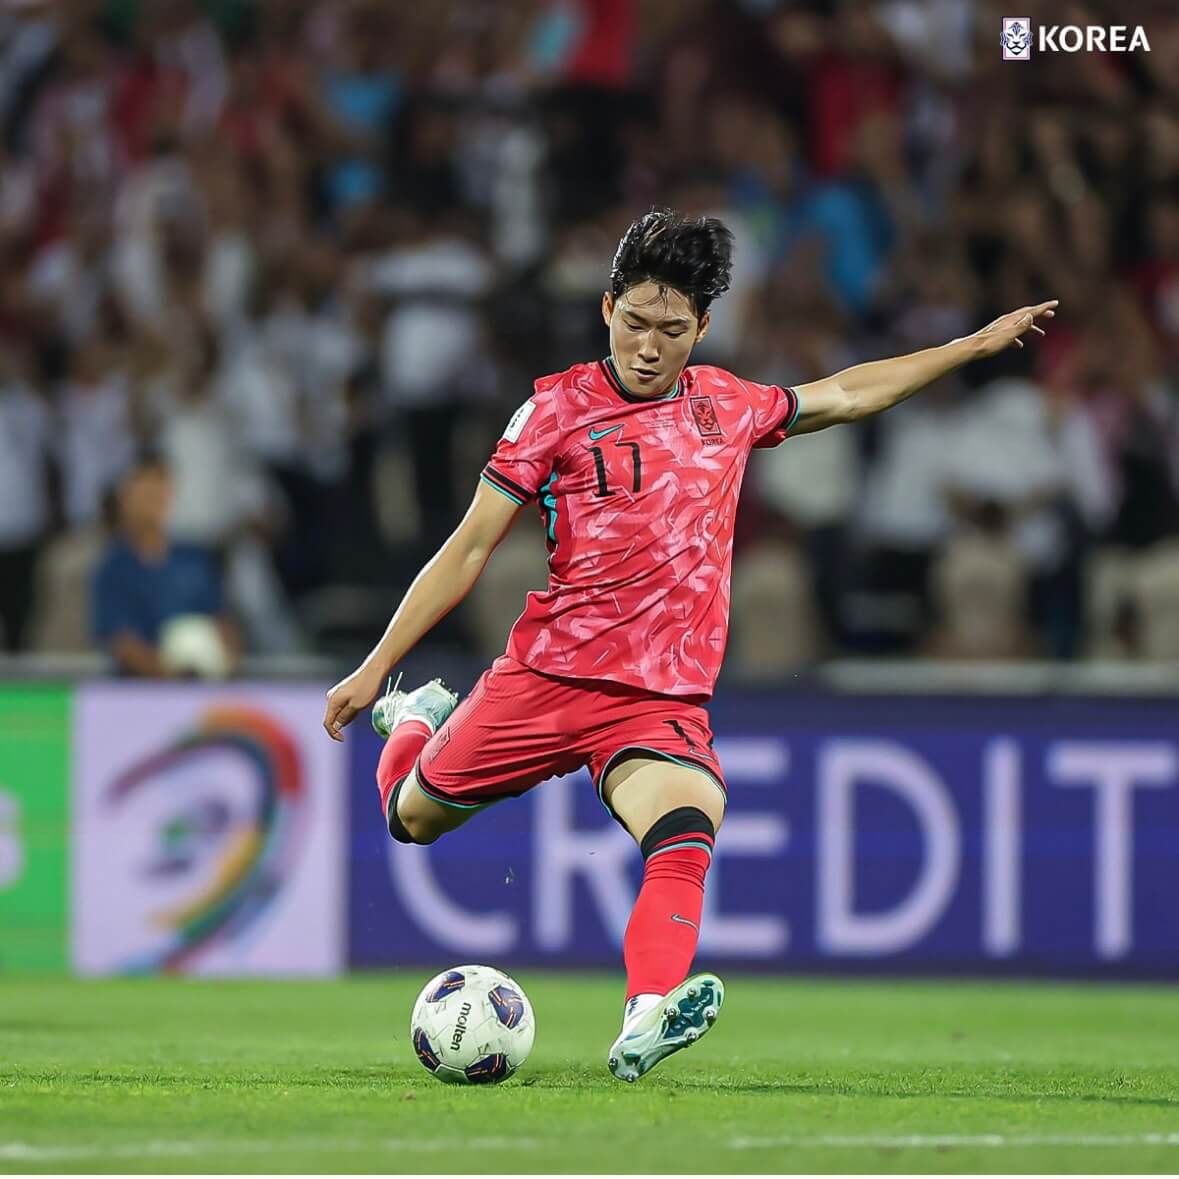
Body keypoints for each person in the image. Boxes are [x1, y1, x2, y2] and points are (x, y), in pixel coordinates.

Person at [322, 209, 1056, 1081]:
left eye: (672, 329)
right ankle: (413, 719)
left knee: (685, 823)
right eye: (634, 321)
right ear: (605, 310)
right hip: (546, 677)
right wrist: (375, 669)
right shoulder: (553, 410)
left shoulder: (727, 405)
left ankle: (645, 1017)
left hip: (658, 697)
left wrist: (967, 347)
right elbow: (470, 545)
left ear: (702, 328)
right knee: (409, 818)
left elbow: (850, 392)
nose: (648, 345)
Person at [92, 453, 239, 677]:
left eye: (159, 491)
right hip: (140, 694)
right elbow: (121, 643)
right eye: (144, 493)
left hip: (201, 688)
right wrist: (171, 676)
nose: (153, 501)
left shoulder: (194, 559)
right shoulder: (113, 569)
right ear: (125, 498)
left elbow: (221, 620)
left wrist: (224, 662)